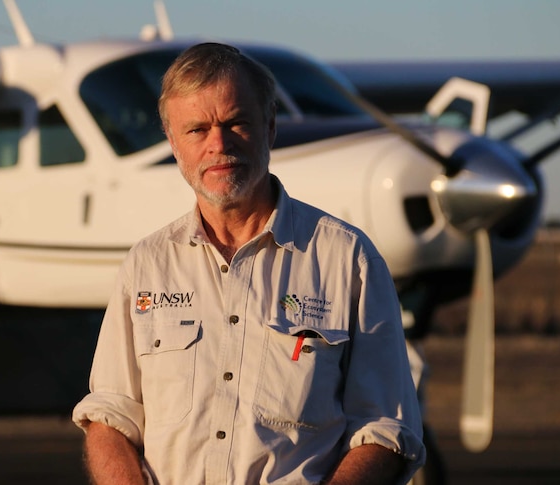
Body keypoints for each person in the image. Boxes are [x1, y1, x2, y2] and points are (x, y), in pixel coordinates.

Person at [72, 42, 425, 484]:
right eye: (197, 129)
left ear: (270, 127)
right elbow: (110, 414)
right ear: (173, 142)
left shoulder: (348, 259)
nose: (218, 144)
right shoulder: (147, 264)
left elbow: (386, 428)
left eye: (236, 122)